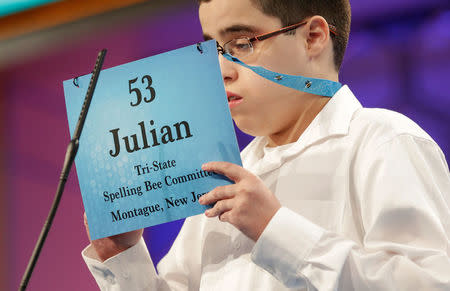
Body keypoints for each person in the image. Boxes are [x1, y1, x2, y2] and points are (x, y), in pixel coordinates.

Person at [82, 0, 450, 290]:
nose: (220, 69)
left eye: (242, 43)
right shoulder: (223, 174)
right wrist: (122, 255)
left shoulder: (384, 141)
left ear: (313, 37)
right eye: (211, 49)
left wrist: (274, 229)